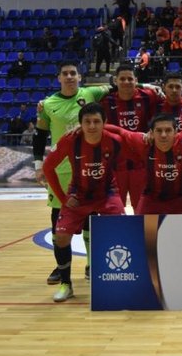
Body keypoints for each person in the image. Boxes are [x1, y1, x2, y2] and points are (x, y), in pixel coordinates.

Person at [33, 61, 114, 285]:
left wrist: (150, 85)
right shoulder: (48, 104)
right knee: (57, 222)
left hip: (88, 169)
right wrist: (38, 166)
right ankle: (61, 268)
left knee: (90, 220)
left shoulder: (91, 92)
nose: (69, 77)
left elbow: (118, 86)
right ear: (58, 78)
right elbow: (39, 136)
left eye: (73, 73)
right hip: (60, 172)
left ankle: (92, 264)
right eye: (65, 73)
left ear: (80, 77)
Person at [43, 103, 126, 302]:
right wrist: (63, 199)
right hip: (78, 195)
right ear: (79, 124)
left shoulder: (114, 140)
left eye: (97, 121)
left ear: (104, 123)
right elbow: (48, 167)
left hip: (107, 193)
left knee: (124, 230)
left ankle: (120, 281)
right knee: (61, 238)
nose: (91, 126)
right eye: (87, 122)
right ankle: (66, 284)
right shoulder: (70, 140)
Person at [106, 113, 182, 214]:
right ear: (151, 133)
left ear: (176, 132)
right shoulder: (142, 141)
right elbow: (120, 131)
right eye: (159, 131)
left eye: (168, 130)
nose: (163, 135)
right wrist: (93, 128)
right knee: (142, 227)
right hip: (151, 199)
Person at [99, 65, 161, 212]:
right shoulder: (106, 100)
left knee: (142, 209)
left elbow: (162, 113)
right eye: (122, 79)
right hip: (115, 164)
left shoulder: (149, 96)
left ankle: (145, 236)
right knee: (112, 210)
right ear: (115, 81)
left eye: (130, 78)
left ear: (136, 80)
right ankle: (114, 235)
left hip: (141, 163)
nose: (126, 82)